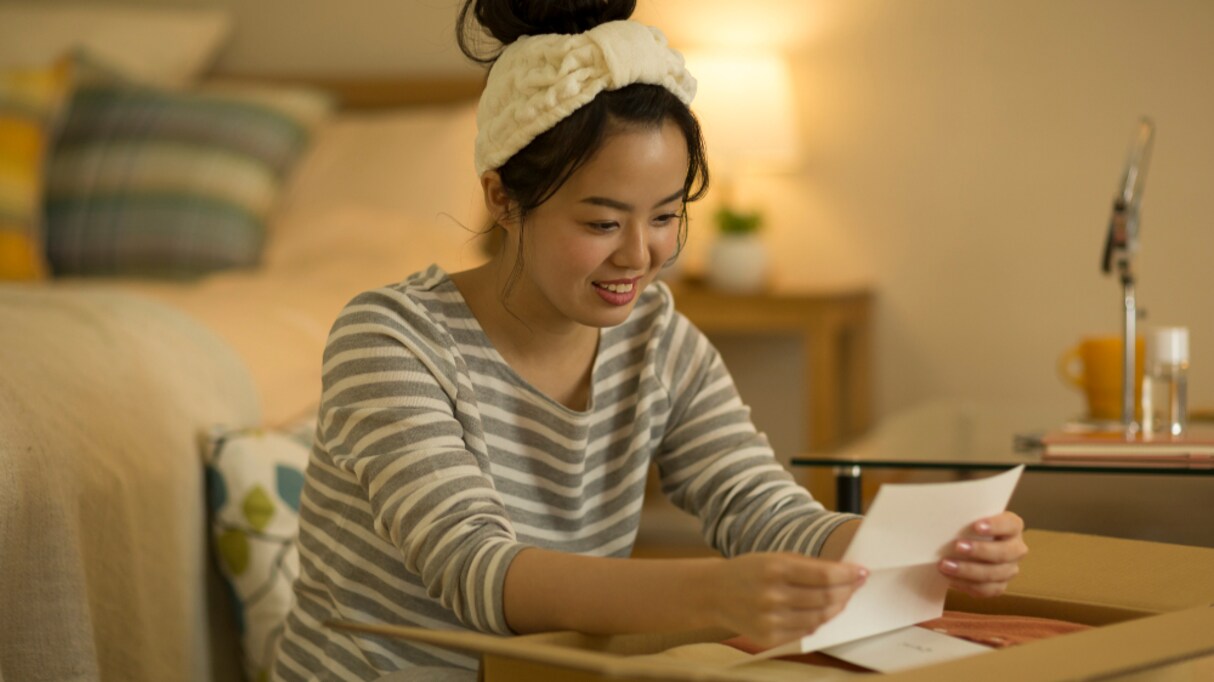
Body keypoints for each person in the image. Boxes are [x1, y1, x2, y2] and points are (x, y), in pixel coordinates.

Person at [272, 1, 1028, 679]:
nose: (640, 256)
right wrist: (717, 592)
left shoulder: (659, 338)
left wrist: (921, 547)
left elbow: (762, 508)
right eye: (602, 222)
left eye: (666, 216)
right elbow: (479, 570)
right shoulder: (391, 341)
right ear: (501, 198)